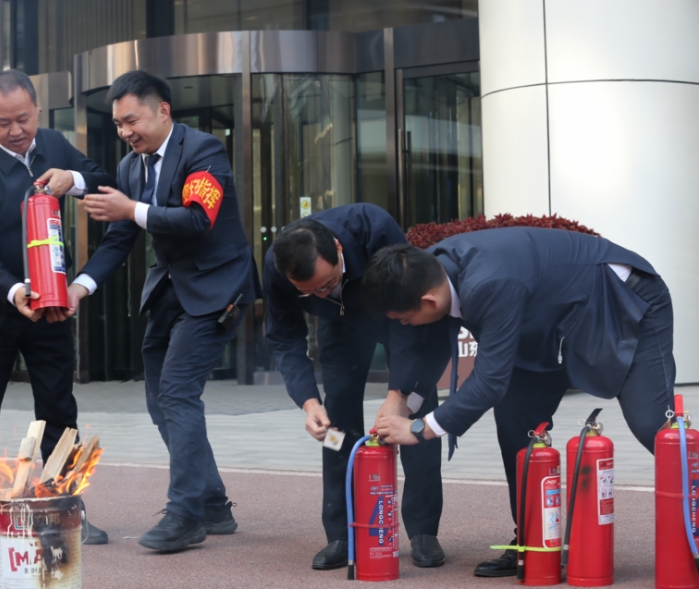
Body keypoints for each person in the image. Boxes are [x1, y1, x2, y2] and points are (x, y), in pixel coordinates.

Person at [363, 227, 675, 577]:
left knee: (654, 426)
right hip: (547, 321)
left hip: (622, 299)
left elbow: (489, 381)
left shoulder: (490, 282)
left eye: (405, 319)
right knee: (516, 425)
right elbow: (425, 344)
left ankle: (690, 529)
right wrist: (403, 399)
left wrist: (420, 428)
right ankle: (534, 540)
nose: (406, 326)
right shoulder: (430, 269)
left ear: (429, 302)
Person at [63, 70, 261, 553]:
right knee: (159, 400)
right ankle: (213, 504)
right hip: (172, 289)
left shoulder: (203, 150)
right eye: (118, 124)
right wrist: (79, 288)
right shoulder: (131, 168)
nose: (124, 132)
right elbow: (120, 239)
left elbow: (197, 220)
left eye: (131, 120)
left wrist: (131, 209)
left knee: (176, 392)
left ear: (163, 110)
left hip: (219, 288)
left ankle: (186, 515)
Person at [0, 69, 113, 551]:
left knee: (60, 409)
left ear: (38, 109)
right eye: (3, 123)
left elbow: (103, 180)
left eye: (23, 118)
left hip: (52, 309)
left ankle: (66, 508)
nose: (16, 130)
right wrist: (16, 291)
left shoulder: (55, 144)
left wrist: (73, 179)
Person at [263, 204, 451, 570]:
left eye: (327, 283)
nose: (321, 294)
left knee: (416, 411)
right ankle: (340, 533)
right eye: (309, 293)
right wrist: (308, 402)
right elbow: (284, 338)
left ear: (337, 248)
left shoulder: (374, 228)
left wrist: (398, 395)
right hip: (339, 328)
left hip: (397, 316)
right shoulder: (277, 266)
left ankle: (424, 530)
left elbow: (407, 298)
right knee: (337, 427)